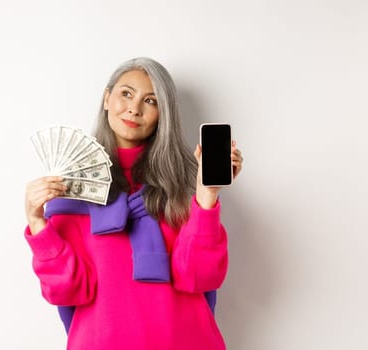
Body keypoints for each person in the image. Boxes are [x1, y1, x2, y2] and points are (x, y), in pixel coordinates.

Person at [23, 57, 244, 349]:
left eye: (150, 100)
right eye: (126, 93)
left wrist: (206, 195)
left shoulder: (184, 184)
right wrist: (38, 224)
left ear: (162, 114)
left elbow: (199, 277)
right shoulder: (71, 189)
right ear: (106, 99)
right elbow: (67, 291)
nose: (134, 108)